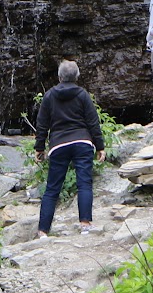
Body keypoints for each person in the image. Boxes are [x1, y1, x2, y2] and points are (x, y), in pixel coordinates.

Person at [34, 58, 106, 237]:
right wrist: (100, 146)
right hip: (82, 142)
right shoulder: (82, 94)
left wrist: (39, 147)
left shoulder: (50, 95)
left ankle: (43, 231)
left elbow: (42, 124)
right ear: (77, 76)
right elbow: (93, 122)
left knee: (52, 188)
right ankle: (85, 224)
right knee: (84, 184)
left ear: (59, 77)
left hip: (59, 144)